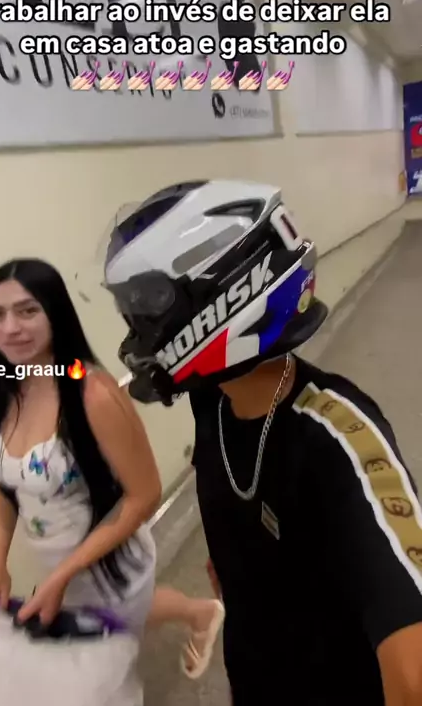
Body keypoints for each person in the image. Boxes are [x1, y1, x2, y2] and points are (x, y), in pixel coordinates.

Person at [99, 177, 422, 706]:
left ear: (225, 294)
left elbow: (413, 673)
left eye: (148, 307)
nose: (138, 334)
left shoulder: (338, 441)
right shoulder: (214, 400)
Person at [0, 257, 224, 681]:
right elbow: (3, 481)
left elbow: (145, 494)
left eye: (27, 311)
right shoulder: (10, 388)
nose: (9, 328)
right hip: (59, 572)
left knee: (112, 651)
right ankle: (200, 612)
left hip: (110, 568)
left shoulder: (93, 393)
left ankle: (200, 613)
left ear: (56, 313)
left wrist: (65, 574)